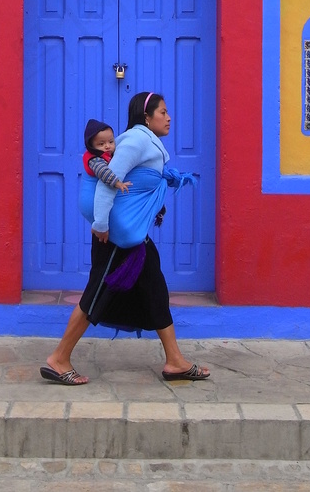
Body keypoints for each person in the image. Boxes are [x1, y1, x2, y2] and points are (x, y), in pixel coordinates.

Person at [39, 92, 209, 386]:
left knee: (155, 289)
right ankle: (58, 359)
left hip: (134, 237)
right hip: (114, 238)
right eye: (163, 112)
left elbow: (145, 179)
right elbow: (109, 183)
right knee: (96, 295)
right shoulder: (135, 140)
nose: (169, 118)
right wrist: (102, 225)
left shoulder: (147, 143)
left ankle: (175, 361)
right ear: (146, 117)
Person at [82, 118, 131, 197]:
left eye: (111, 141)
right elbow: (103, 171)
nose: (107, 146)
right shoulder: (94, 159)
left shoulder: (109, 154)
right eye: (101, 144)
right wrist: (117, 183)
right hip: (92, 197)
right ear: (91, 146)